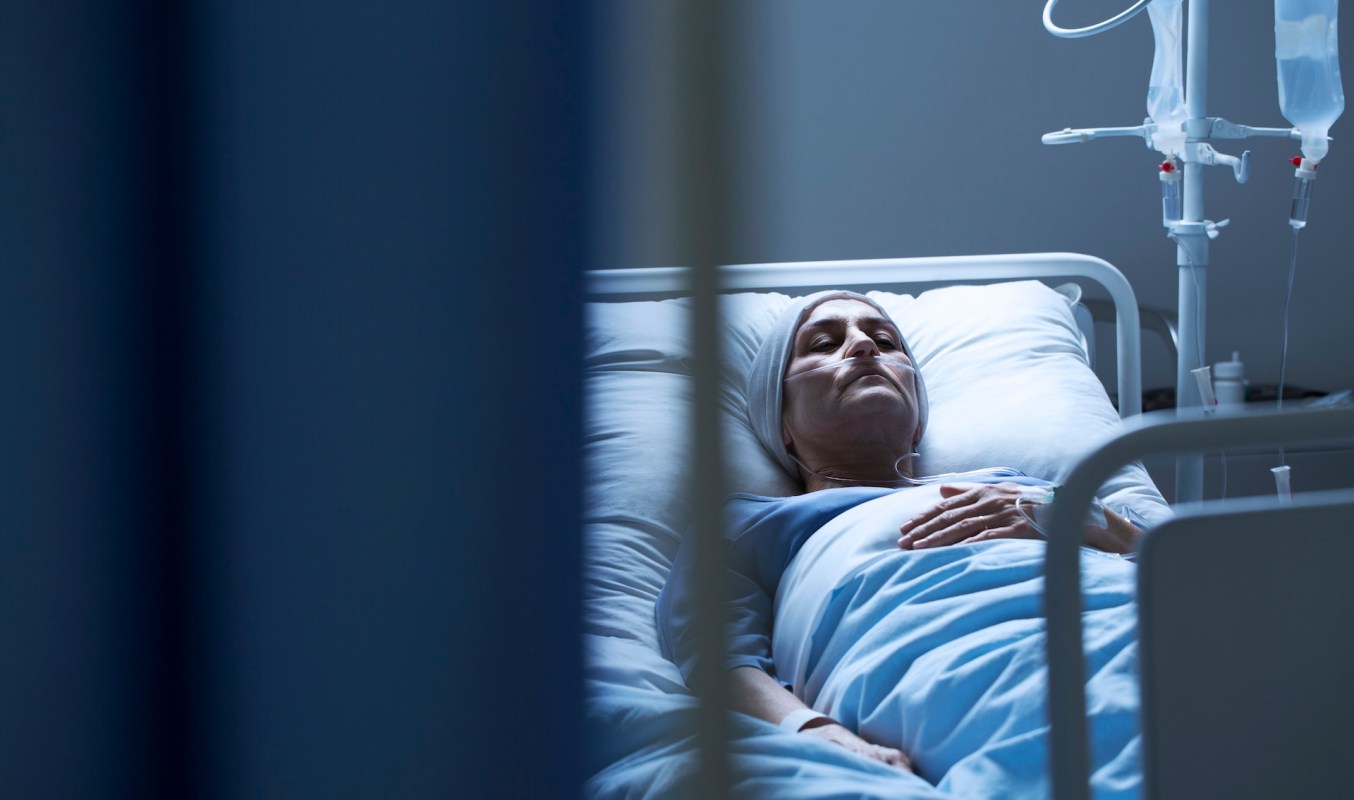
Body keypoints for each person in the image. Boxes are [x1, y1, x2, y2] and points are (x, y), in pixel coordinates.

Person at [657, 291, 1146, 796]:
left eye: (886, 341)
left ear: (916, 419)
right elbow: (717, 656)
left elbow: (1178, 562)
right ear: (780, 421)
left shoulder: (1020, 486)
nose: (864, 345)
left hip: (1137, 624)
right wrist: (818, 733)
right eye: (823, 344)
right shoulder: (749, 523)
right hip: (966, 677)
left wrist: (1066, 511)